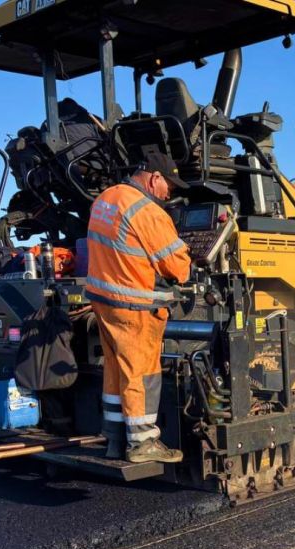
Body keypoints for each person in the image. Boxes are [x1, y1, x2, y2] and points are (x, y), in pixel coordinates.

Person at [86, 151, 191, 463]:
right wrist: (189, 259)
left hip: (104, 300)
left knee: (116, 370)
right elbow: (177, 267)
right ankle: (143, 442)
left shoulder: (106, 198)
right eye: (168, 186)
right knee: (142, 371)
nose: (168, 193)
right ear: (154, 178)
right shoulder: (149, 211)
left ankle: (115, 438)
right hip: (134, 304)